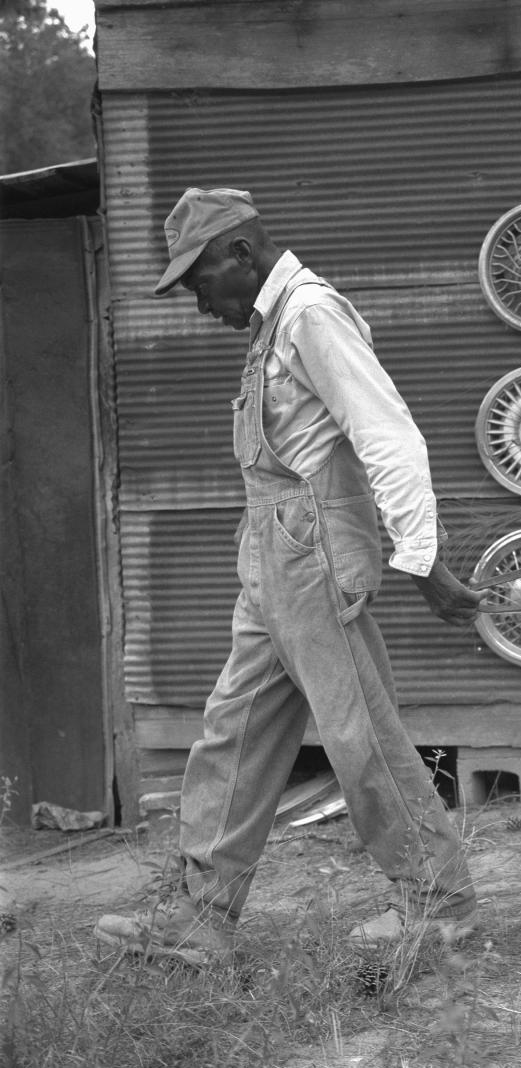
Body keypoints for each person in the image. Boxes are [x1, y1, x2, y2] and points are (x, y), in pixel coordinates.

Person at [95, 187, 481, 967]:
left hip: (310, 554)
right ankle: (202, 916)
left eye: (201, 281)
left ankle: (439, 905)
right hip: (270, 554)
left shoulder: (309, 314)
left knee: (358, 733)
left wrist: (422, 560)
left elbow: (388, 435)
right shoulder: (271, 325)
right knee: (232, 729)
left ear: (241, 254)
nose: (200, 303)